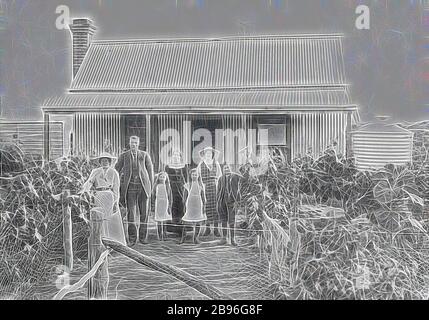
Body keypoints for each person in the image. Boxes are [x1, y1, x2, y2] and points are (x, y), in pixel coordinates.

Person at [80, 152, 126, 245]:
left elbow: (116, 188)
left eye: (106, 161)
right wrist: (84, 191)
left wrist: (115, 202)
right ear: (100, 162)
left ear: (109, 162)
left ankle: (112, 241)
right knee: (100, 217)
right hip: (98, 195)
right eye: (103, 161)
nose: (105, 162)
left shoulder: (114, 172)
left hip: (109, 195)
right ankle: (101, 240)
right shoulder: (95, 171)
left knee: (109, 218)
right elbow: (89, 182)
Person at [115, 136, 154, 246]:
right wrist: (116, 182)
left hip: (143, 187)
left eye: (136, 143)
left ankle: (143, 237)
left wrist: (149, 187)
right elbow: (116, 169)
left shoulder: (145, 155)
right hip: (130, 187)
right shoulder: (124, 156)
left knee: (144, 214)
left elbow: (150, 171)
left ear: (138, 144)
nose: (134, 145)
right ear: (129, 143)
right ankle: (132, 238)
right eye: (132, 143)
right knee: (131, 214)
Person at [197, 146, 222, 238]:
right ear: (204, 154)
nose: (208, 155)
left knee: (215, 207)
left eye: (210, 153)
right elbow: (197, 176)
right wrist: (200, 187)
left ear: (212, 154)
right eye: (206, 153)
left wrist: (219, 187)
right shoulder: (201, 164)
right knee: (206, 207)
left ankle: (216, 229)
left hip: (215, 188)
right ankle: (207, 229)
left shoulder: (216, 163)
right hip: (205, 187)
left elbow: (220, 176)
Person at [164, 150, 189, 235]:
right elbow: (165, 179)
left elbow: (186, 180)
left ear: (180, 157)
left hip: (181, 189)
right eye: (174, 155)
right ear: (171, 156)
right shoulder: (167, 167)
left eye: (177, 155)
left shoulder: (184, 166)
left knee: (181, 207)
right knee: (171, 207)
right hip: (171, 189)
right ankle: (171, 228)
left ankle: (181, 229)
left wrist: (186, 189)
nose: (175, 157)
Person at [217, 164, 242, 246]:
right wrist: (218, 201)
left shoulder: (235, 177)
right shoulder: (221, 179)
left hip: (232, 201)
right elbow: (218, 190)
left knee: (231, 220)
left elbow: (239, 189)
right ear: (223, 170)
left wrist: (237, 201)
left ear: (230, 168)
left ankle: (232, 239)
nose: (226, 169)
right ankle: (224, 238)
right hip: (222, 201)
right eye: (225, 168)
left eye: (228, 167)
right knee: (223, 219)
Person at [180, 169, 206, 244]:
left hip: (198, 204)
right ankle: (183, 238)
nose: (194, 176)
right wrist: (184, 205)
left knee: (198, 221)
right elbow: (184, 196)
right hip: (190, 204)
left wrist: (204, 205)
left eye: (196, 174)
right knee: (187, 220)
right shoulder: (188, 185)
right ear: (190, 176)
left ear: (198, 175)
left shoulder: (201, 185)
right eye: (193, 174)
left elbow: (203, 196)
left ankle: (195, 238)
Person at [152, 172, 173, 241]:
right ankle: (159, 235)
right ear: (158, 178)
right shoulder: (156, 185)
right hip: (158, 204)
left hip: (165, 203)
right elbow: (153, 195)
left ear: (166, 178)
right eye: (161, 177)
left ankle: (164, 234)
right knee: (159, 220)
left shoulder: (167, 186)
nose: (162, 178)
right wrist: (153, 205)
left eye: (164, 177)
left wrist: (169, 205)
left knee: (164, 219)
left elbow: (170, 196)